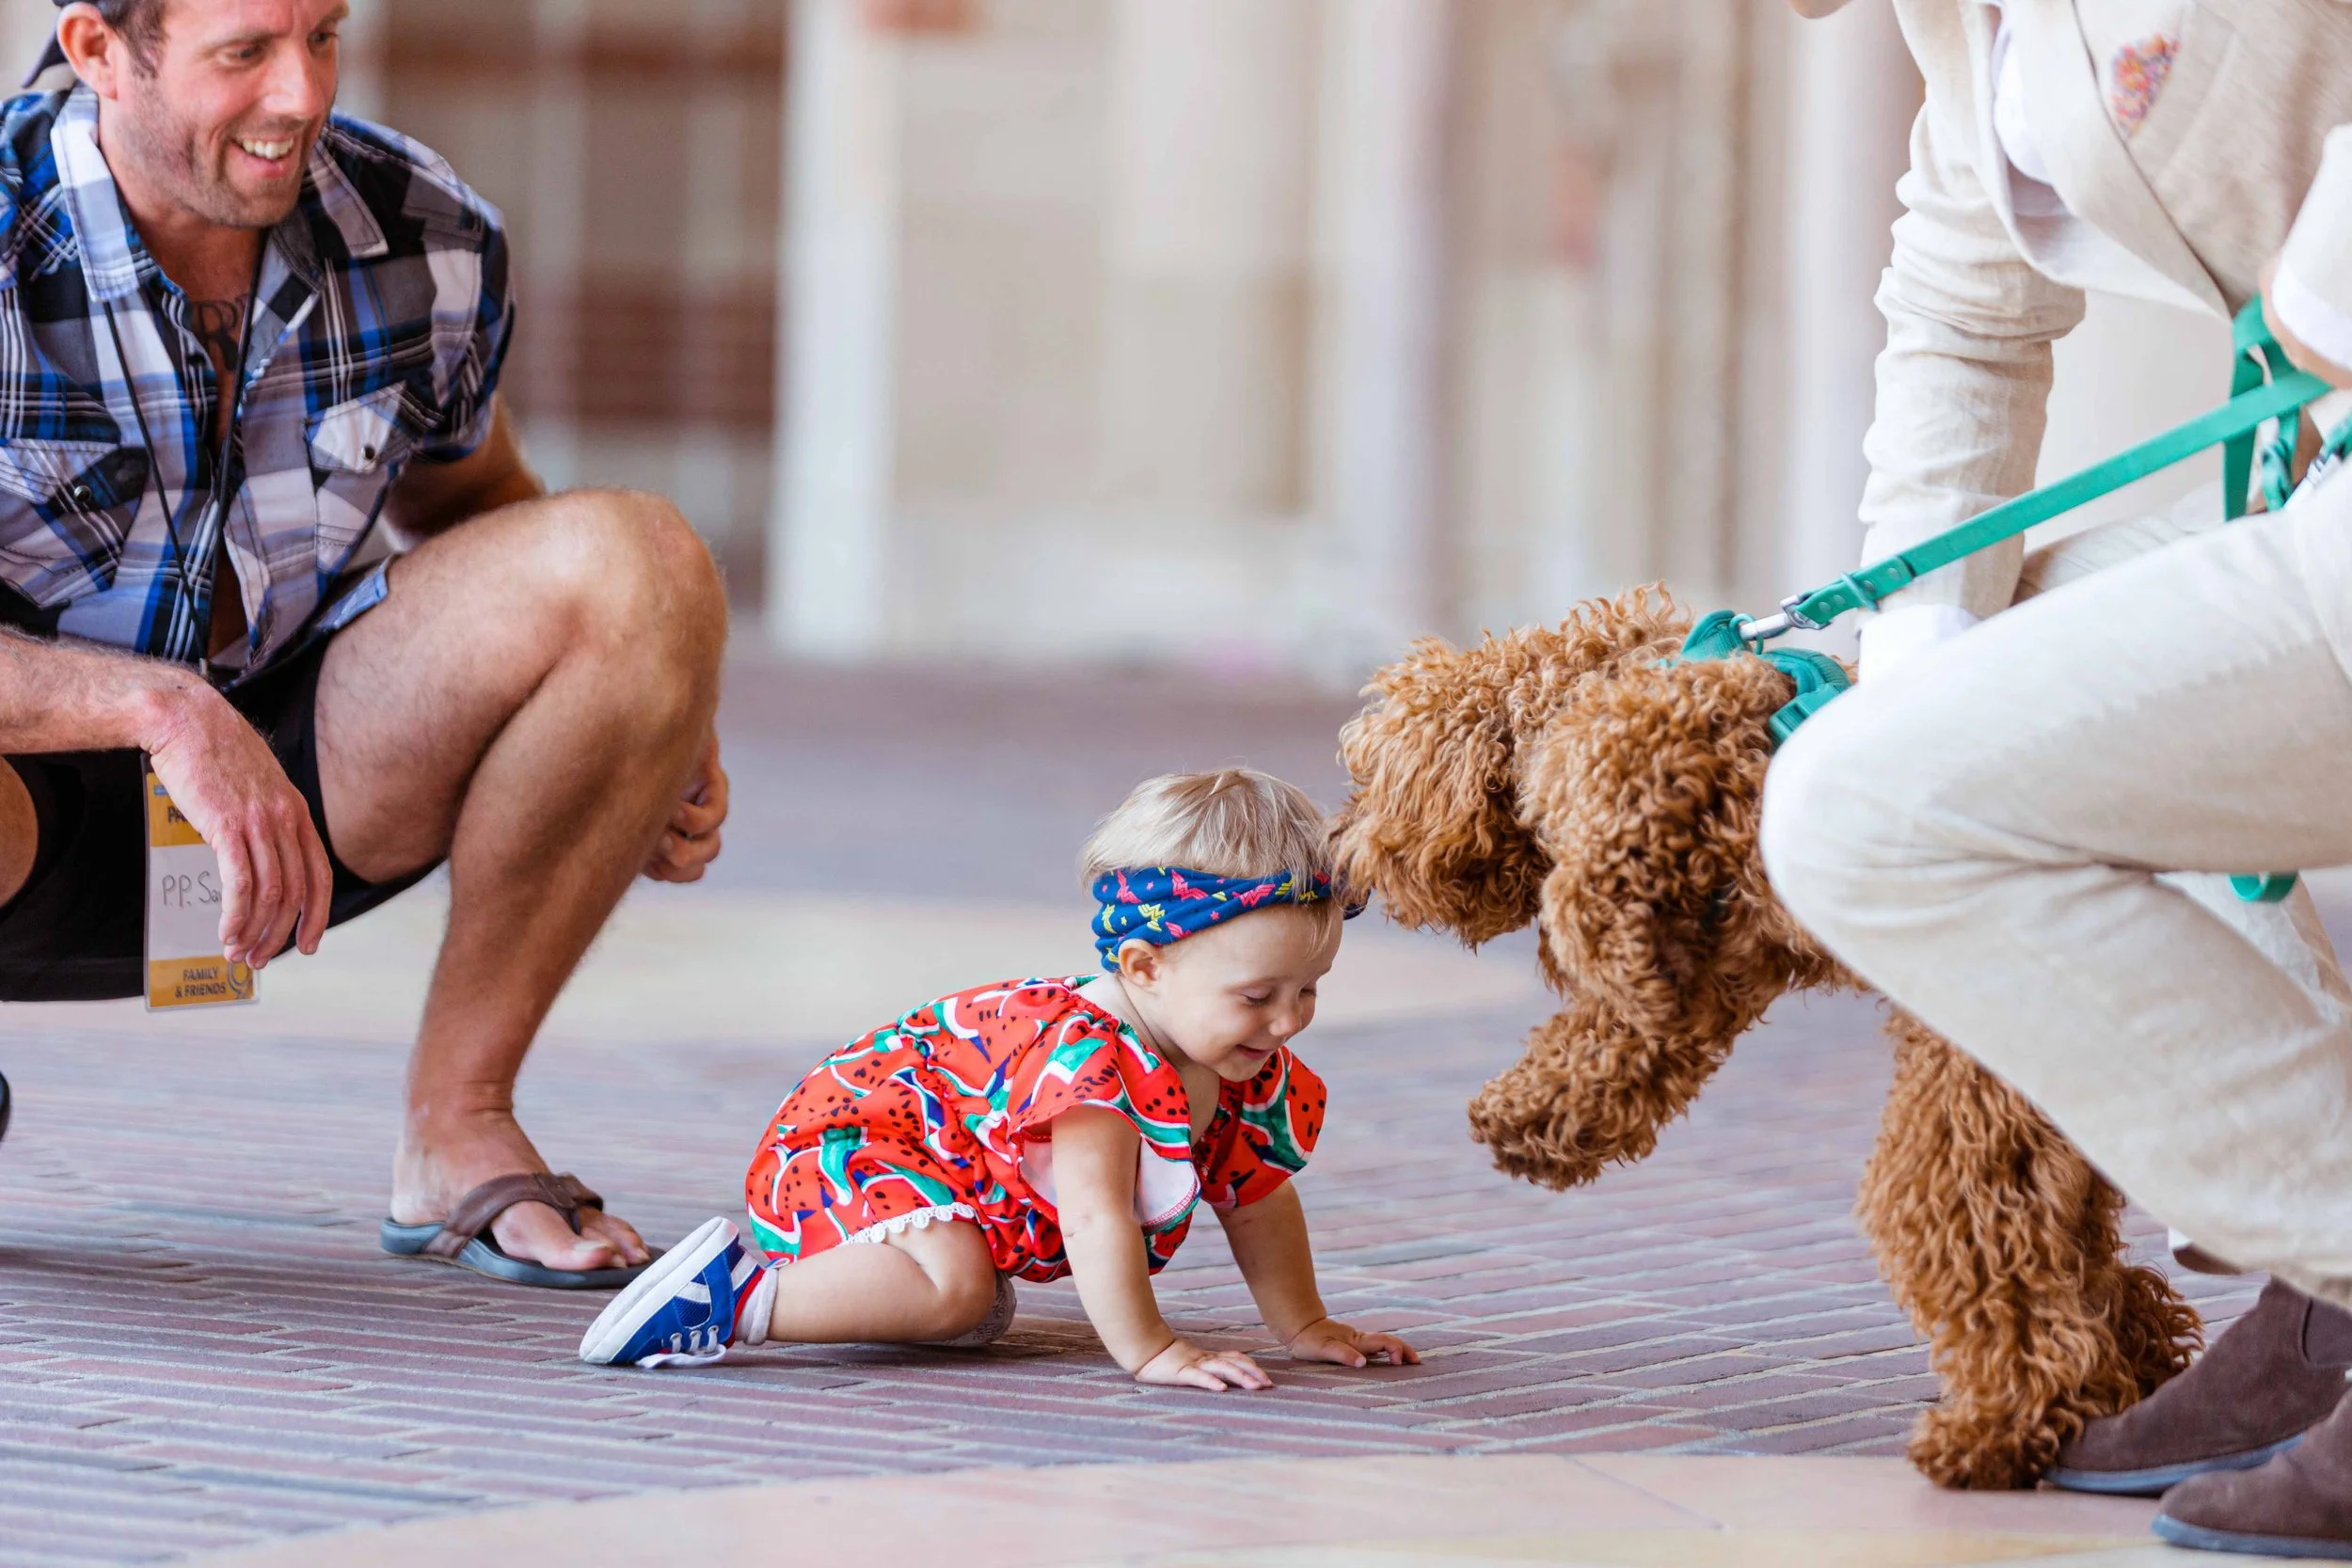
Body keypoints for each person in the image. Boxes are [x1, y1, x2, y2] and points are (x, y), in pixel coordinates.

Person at [0, 0, 729, 1286]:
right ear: (99, 51)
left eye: (322, 36)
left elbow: (481, 509)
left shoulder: (420, 228)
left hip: (292, 800)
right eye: (245, 54)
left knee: (640, 564)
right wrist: (164, 709)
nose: (302, 94)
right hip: (23, 803)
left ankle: (460, 1125)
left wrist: (640, 704)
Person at [1760, 0, 2352, 1553]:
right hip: (2327, 489)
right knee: (1963, 693)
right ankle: (2328, 1300)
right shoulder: (1961, 22)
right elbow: (1962, 313)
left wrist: (2329, 291)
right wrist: (1917, 637)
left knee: (1872, 816)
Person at [578, 769, 1420, 1389]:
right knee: (955, 1289)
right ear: (1145, 966)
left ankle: (890, 1285)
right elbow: (1094, 1218)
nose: (1288, 1020)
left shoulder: (1235, 1056)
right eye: (1258, 995)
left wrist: (1301, 1323)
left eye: (1309, 989)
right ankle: (729, 1296)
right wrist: (1154, 1348)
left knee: (966, 1300)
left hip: (925, 1170)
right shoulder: (1094, 1061)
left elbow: (1259, 1195)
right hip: (849, 1154)